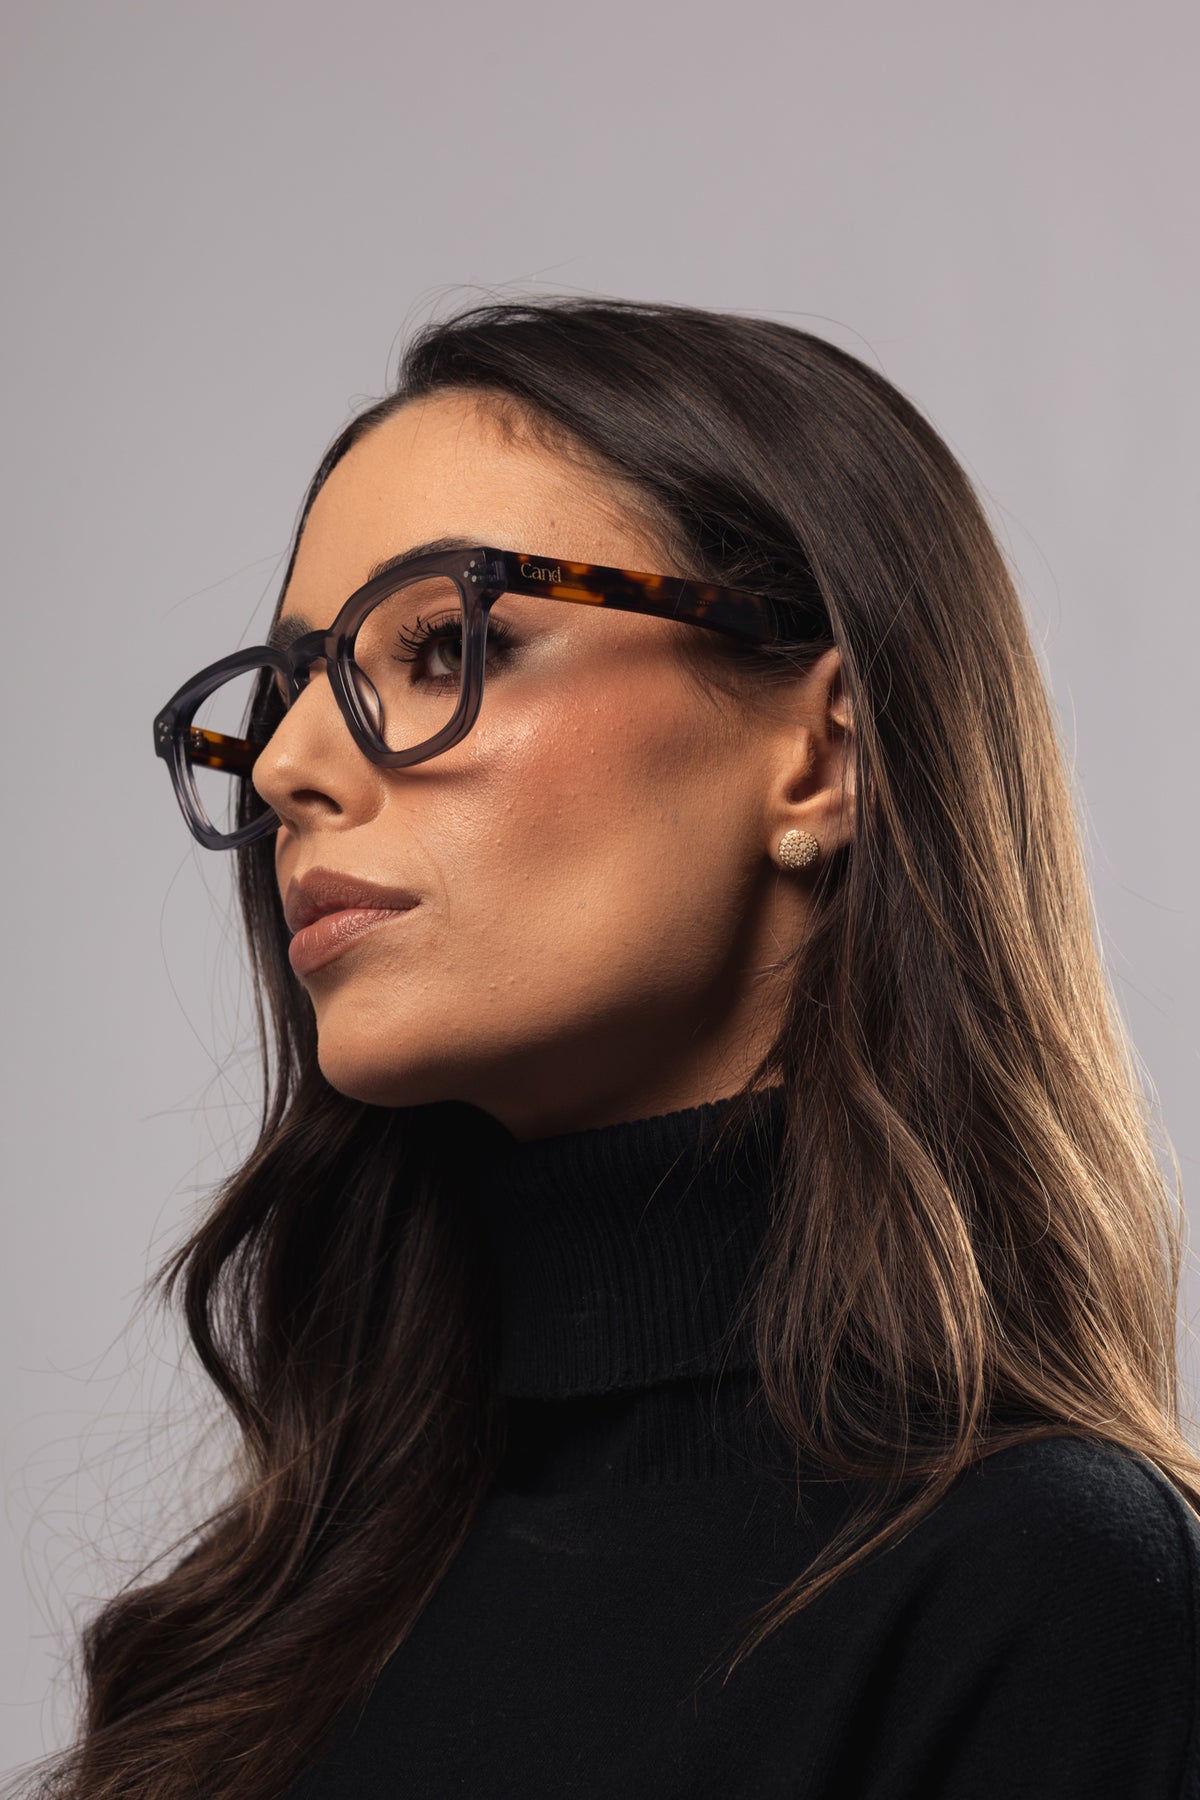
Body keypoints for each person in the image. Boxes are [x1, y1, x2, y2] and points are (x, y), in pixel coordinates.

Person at [27, 298, 1200, 1798]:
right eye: (292, 691)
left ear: (821, 754)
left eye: (448, 643)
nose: (288, 767)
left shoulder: (1049, 1591)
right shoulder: (265, 1614)